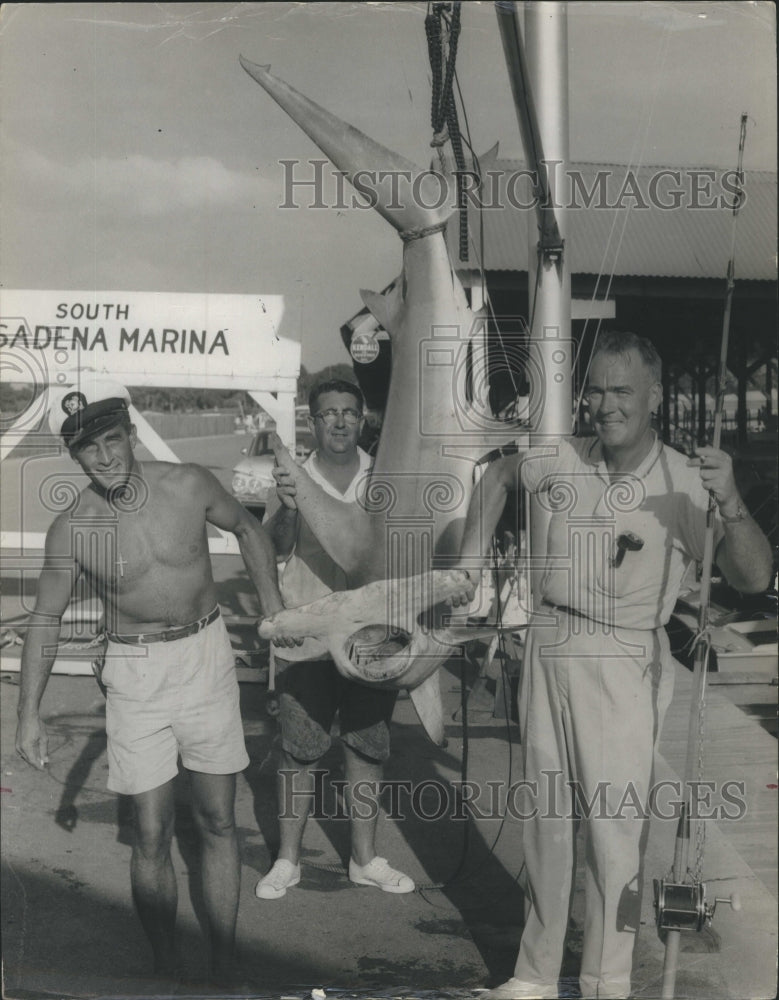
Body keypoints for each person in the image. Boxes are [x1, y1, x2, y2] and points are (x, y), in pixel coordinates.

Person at [452, 332, 772, 1000]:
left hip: (624, 655)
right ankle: (534, 975)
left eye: (620, 390)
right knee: (544, 821)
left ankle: (606, 981)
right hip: (547, 640)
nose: (602, 404)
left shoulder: (685, 480)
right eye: (593, 389)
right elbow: (497, 474)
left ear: (653, 396)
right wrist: (467, 566)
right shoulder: (561, 456)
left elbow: (752, 576)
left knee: (612, 829)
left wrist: (732, 501)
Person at [14, 379, 293, 986]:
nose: (105, 458)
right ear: (77, 458)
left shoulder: (188, 484)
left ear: (130, 436)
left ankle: (223, 962)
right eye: (90, 451)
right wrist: (28, 715)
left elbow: (247, 529)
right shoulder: (75, 527)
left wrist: (270, 606)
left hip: (204, 655)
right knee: (151, 830)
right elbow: (44, 617)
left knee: (220, 820)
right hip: (134, 670)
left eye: (112, 442)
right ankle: (167, 969)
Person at [255, 378, 414, 900]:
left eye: (349, 412)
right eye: (328, 414)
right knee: (299, 750)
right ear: (313, 421)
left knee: (368, 746)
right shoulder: (289, 475)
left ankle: (364, 859)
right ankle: (287, 859)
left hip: (374, 634)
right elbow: (273, 546)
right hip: (309, 631)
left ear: (363, 418)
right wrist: (289, 509)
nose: (340, 422)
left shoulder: (387, 477)